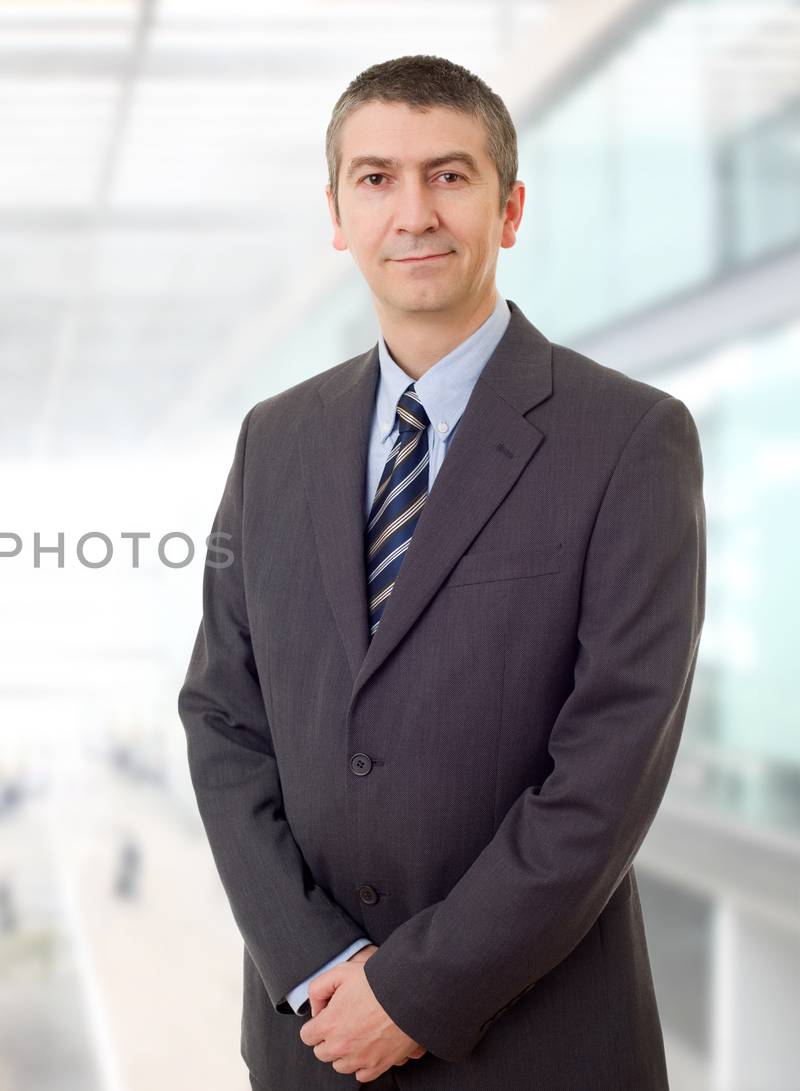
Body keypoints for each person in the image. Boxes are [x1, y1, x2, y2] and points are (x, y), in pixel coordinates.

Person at [177, 54, 705, 1090]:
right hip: (312, 1039)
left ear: (508, 211)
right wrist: (320, 965)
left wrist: (412, 993)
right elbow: (222, 719)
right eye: (375, 178)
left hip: (537, 1048)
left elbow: (606, 770)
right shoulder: (273, 439)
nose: (412, 212)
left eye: (448, 176)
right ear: (337, 215)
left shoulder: (629, 438)